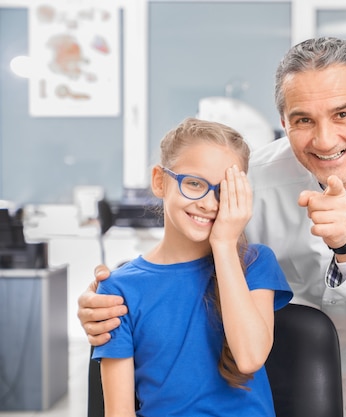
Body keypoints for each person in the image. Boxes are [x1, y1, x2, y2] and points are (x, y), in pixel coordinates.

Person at [79, 37, 346, 417]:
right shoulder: (253, 182)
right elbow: (189, 264)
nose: (324, 140)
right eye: (303, 120)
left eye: (343, 114)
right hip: (272, 382)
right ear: (283, 122)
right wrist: (112, 297)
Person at [91, 118, 293, 417]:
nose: (209, 203)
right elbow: (118, 412)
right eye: (194, 183)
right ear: (160, 181)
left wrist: (224, 244)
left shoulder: (255, 263)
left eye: (224, 191)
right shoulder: (119, 289)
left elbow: (250, 357)